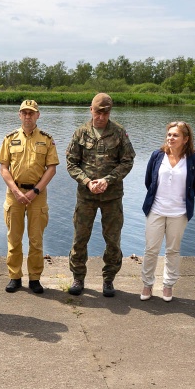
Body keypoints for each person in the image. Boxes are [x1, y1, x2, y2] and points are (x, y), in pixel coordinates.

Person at [65, 93, 135, 297]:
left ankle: (109, 279)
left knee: (112, 240)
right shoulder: (81, 133)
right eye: (98, 112)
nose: (101, 116)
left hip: (112, 196)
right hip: (86, 196)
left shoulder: (119, 132)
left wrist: (108, 180)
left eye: (105, 113)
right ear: (91, 110)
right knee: (80, 238)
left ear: (109, 112)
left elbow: (127, 161)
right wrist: (87, 182)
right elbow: (71, 163)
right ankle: (78, 277)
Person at [0, 100, 59, 294]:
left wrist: (35, 191)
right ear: (19, 115)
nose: (27, 116)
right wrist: (16, 191)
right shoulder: (10, 138)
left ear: (38, 115)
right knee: (14, 239)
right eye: (24, 113)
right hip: (14, 194)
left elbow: (51, 169)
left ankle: (35, 278)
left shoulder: (47, 139)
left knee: (36, 239)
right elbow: (4, 168)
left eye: (31, 113)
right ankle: (14, 277)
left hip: (37, 195)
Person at [141, 121, 195, 302]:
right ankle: (147, 284)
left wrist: (185, 199)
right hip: (156, 209)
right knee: (151, 249)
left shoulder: (193, 160)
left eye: (175, 135)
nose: (171, 138)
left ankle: (168, 286)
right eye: (169, 134)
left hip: (179, 212)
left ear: (185, 139)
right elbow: (148, 181)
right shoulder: (157, 155)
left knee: (172, 250)